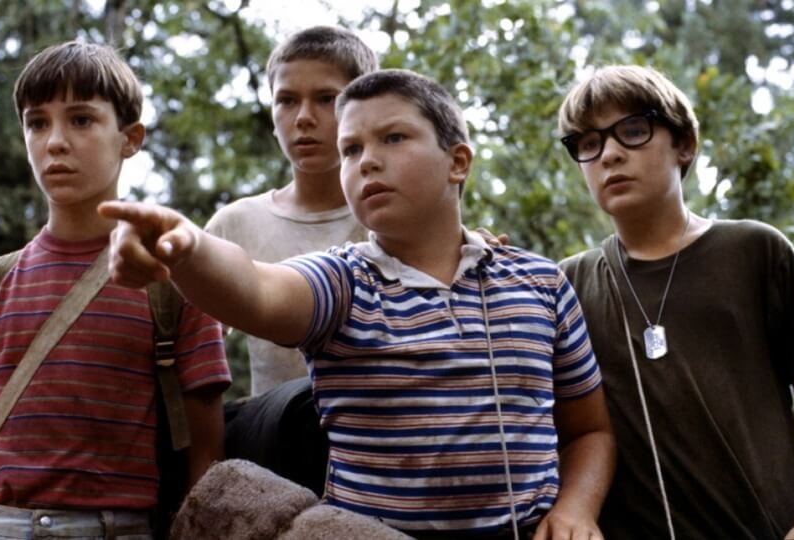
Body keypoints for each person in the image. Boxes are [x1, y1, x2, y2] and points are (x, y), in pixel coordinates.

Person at [100, 68, 616, 539]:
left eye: (393, 138)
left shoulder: (541, 283)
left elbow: (590, 430)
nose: (366, 160)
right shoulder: (343, 282)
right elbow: (256, 290)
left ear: (457, 162)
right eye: (350, 149)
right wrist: (187, 248)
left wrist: (577, 508)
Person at [0, 41, 230, 538]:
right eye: (37, 123)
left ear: (130, 139)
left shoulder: (173, 282)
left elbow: (206, 456)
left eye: (81, 120)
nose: (55, 142)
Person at [556, 64, 794, 539]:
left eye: (632, 131)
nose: (609, 154)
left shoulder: (754, 250)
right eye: (589, 143)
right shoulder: (563, 285)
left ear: (684, 144)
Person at [205, 25, 376, 396]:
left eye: (326, 98)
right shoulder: (235, 224)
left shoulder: (393, 218)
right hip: (276, 429)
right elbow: (193, 349)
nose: (303, 117)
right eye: (286, 100)